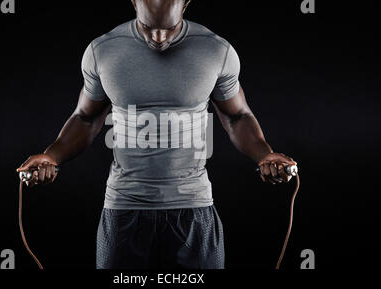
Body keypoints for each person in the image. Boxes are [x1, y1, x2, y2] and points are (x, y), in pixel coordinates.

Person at [16, 0, 297, 269]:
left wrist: (264, 153)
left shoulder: (216, 50)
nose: (159, 39)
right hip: (123, 210)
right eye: (150, 28)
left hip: (193, 208)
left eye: (169, 28)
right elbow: (86, 117)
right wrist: (51, 156)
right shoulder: (102, 50)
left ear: (185, 5)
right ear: (134, 3)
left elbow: (237, 116)